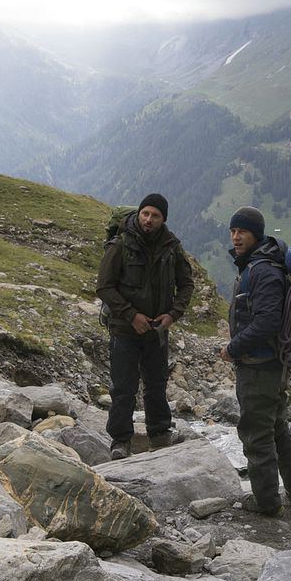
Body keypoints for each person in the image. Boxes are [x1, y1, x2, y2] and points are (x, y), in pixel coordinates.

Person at [220, 206, 291, 516]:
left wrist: (233, 348)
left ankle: (267, 503)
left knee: (257, 434)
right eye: (233, 231)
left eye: (242, 231)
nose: (236, 236)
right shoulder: (261, 265)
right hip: (269, 364)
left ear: (255, 234)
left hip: (260, 366)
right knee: (276, 428)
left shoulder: (263, 270)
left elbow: (267, 322)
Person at [97, 193, 194, 460]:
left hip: (157, 330)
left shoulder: (172, 247)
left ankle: (160, 434)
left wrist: (173, 314)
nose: (149, 220)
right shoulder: (120, 244)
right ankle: (120, 441)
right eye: (145, 214)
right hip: (124, 330)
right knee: (123, 386)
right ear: (139, 214)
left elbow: (186, 283)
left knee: (156, 383)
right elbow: (104, 286)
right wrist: (131, 315)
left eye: (155, 216)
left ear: (164, 219)